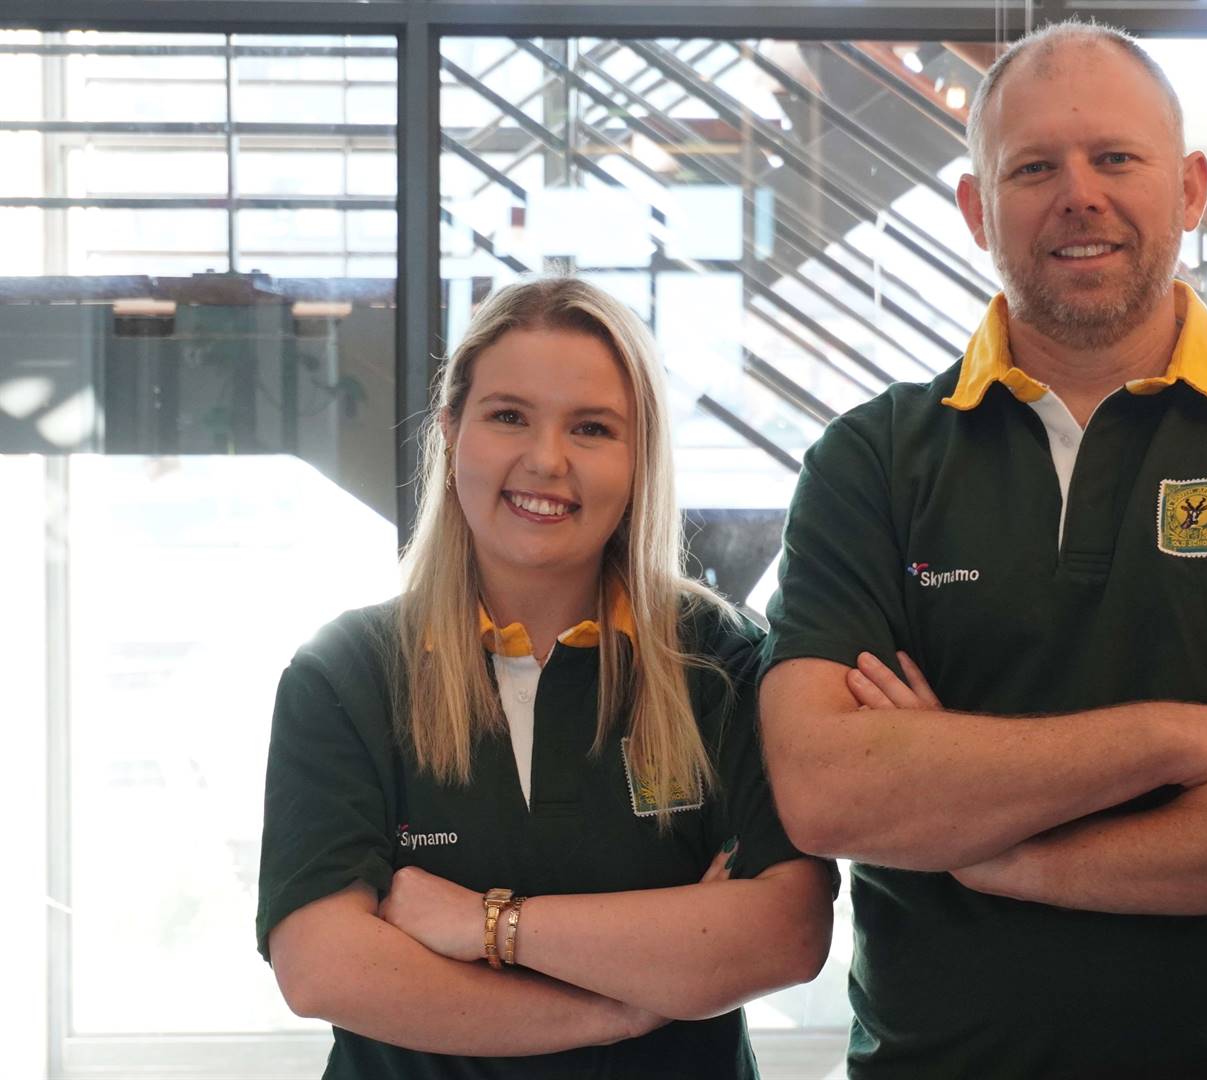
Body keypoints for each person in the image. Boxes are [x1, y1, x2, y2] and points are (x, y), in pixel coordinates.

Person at [758, 20, 1207, 1080]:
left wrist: (1001, 853)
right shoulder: (871, 460)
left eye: (1116, 157)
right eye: (1033, 167)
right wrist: (1178, 737)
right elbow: (828, 790)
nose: (1079, 195)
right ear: (976, 210)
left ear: (1190, 190)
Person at [256, 277, 833, 1079]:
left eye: (591, 428)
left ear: (638, 459)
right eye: (508, 417)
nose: (546, 460)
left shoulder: (721, 661)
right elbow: (325, 968)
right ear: (451, 430)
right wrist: (621, 1011)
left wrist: (485, 925)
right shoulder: (345, 674)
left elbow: (784, 934)